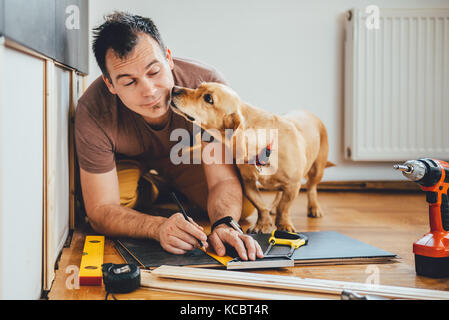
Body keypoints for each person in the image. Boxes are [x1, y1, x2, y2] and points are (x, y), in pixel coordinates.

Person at [74, 11, 263, 261]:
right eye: (129, 83)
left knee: (245, 205)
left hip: (186, 157)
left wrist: (225, 223)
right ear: (110, 84)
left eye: (154, 72)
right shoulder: (92, 109)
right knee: (117, 202)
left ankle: (164, 185)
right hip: (128, 161)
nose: (149, 91)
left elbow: (221, 180)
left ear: (169, 58)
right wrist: (157, 227)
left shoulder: (207, 87)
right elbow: (100, 210)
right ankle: (152, 188)